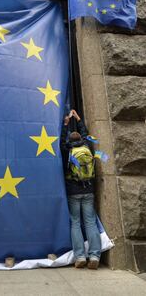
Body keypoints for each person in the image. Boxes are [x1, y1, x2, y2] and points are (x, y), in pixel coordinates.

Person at [60, 109, 101, 269]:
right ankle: (95, 256)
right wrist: (78, 119)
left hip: (73, 190)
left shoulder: (68, 150)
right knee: (90, 222)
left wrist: (65, 124)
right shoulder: (87, 146)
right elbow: (86, 134)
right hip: (88, 189)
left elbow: (62, 141)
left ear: (70, 140)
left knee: (75, 223)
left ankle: (79, 256)